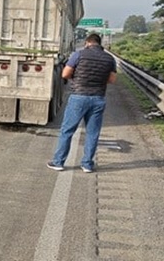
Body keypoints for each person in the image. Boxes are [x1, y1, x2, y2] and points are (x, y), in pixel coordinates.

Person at [47, 33, 117, 173]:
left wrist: (77, 78)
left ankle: (58, 162)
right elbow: (112, 80)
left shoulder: (79, 55)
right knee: (92, 133)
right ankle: (87, 164)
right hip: (98, 98)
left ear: (87, 43)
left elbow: (65, 74)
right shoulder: (110, 59)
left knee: (67, 130)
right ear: (99, 43)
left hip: (79, 97)